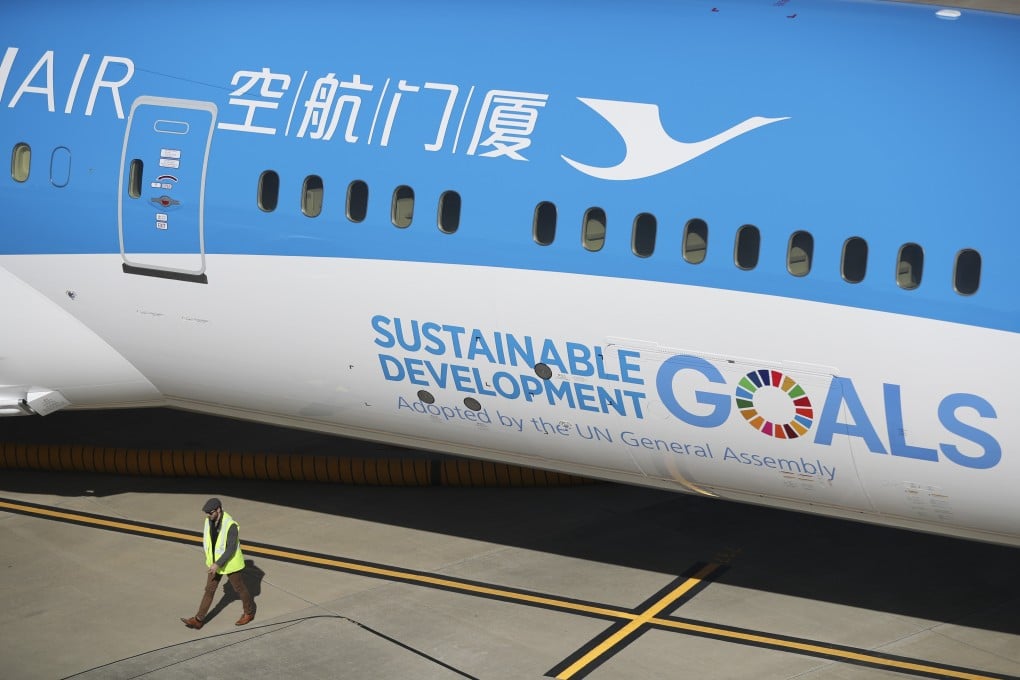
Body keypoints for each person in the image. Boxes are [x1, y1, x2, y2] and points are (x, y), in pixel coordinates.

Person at [180, 498, 255, 629]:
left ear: (219, 509)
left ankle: (249, 613)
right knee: (209, 590)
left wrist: (218, 563)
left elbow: (231, 548)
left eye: (211, 513)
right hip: (215, 563)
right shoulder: (209, 521)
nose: (208, 516)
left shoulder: (230, 525)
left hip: (230, 563)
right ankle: (198, 620)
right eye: (207, 513)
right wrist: (213, 562)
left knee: (240, 589)